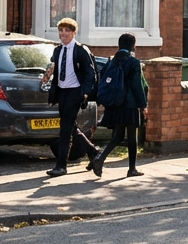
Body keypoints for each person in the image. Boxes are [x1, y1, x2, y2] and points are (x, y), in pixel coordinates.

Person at [42, 18, 99, 177]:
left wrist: (85, 92)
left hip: (75, 91)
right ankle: (93, 151)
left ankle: (61, 166)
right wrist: (47, 74)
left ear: (74, 32)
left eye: (67, 31)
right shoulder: (58, 50)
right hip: (62, 92)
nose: (63, 34)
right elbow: (53, 65)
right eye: (61, 30)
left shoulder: (81, 50)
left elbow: (90, 73)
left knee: (65, 129)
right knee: (70, 126)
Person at [91, 33, 147, 178]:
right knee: (132, 137)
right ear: (133, 45)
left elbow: (103, 79)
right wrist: (143, 104)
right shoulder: (133, 62)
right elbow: (137, 85)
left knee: (117, 136)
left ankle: (100, 158)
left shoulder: (111, 61)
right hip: (129, 104)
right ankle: (132, 169)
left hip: (115, 104)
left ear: (119, 45)